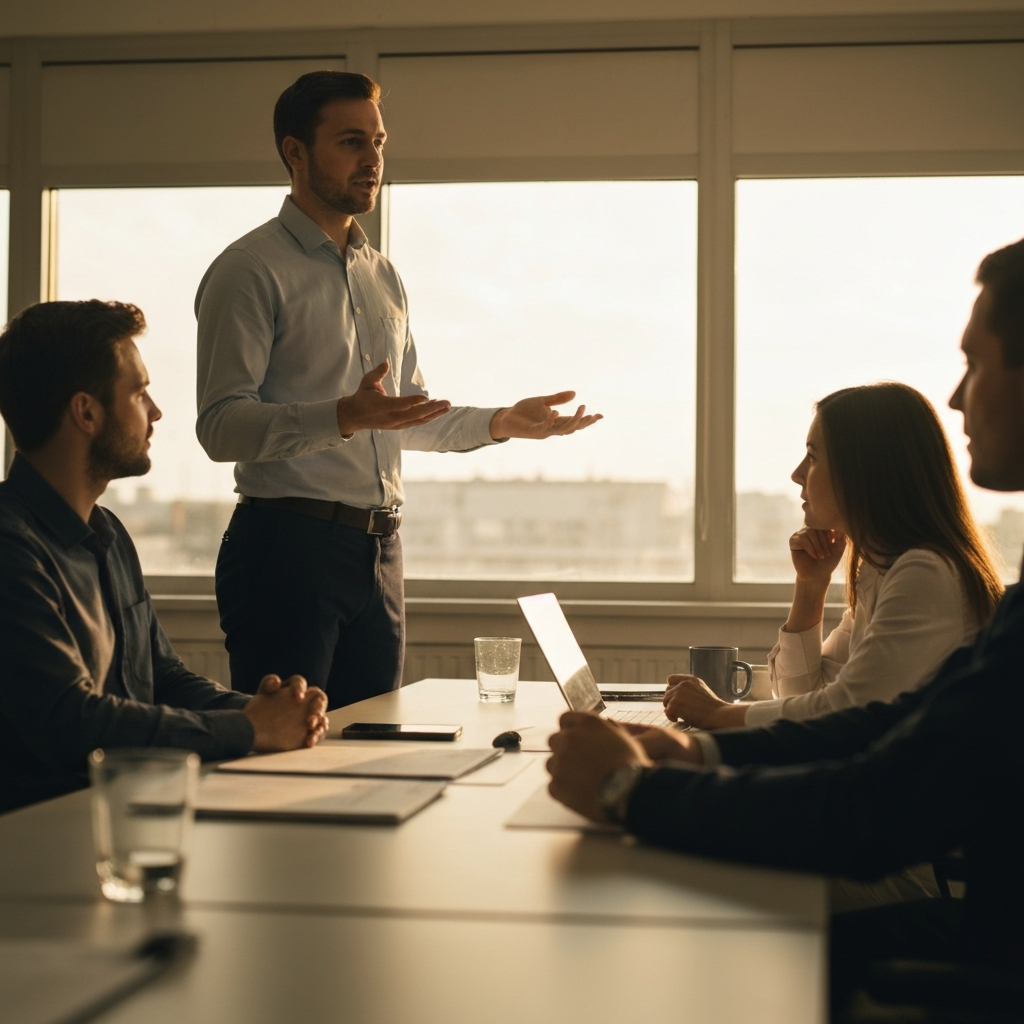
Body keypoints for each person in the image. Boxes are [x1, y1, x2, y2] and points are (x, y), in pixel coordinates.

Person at [546, 236, 1024, 1017]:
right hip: (946, 882)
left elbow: (870, 787)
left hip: (949, 906)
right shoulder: (889, 572)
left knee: (702, 908)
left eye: (977, 363)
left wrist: (636, 786)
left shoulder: (926, 575)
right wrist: (698, 747)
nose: (959, 398)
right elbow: (878, 718)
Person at [196, 70, 602, 710]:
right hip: (287, 549)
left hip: (380, 552)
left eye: (379, 142)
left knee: (373, 750)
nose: (373, 160)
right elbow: (219, 427)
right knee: (282, 768)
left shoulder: (382, 275)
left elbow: (402, 416)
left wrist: (502, 421)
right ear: (294, 152)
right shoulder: (248, 270)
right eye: (352, 142)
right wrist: (342, 416)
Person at [0, 300, 329, 815]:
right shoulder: (10, 546)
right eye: (138, 392)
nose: (154, 411)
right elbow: (69, 721)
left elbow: (162, 677)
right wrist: (248, 729)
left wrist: (264, 711)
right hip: (40, 837)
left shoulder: (107, 531)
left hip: (128, 811)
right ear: (86, 412)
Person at [663, 383, 1002, 733]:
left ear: (864, 470)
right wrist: (811, 585)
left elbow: (846, 707)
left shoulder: (924, 573)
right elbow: (801, 694)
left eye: (812, 456)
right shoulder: (881, 570)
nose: (797, 474)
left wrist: (717, 714)